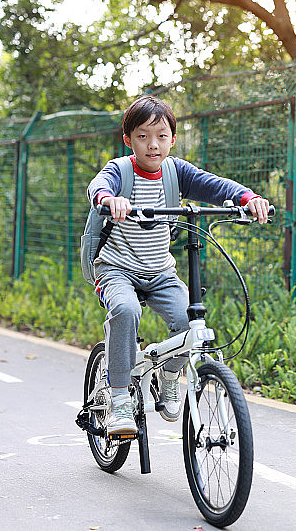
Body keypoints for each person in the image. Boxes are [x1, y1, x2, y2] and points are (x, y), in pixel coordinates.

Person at [87, 95, 270, 435]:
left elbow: (215, 186)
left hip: (159, 272)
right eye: (142, 136)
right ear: (128, 139)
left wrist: (249, 199)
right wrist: (109, 200)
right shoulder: (120, 171)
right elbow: (98, 186)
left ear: (172, 138)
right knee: (126, 311)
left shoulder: (176, 172)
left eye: (161, 136)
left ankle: (170, 375)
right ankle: (118, 396)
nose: (152, 145)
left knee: (190, 318)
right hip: (116, 268)